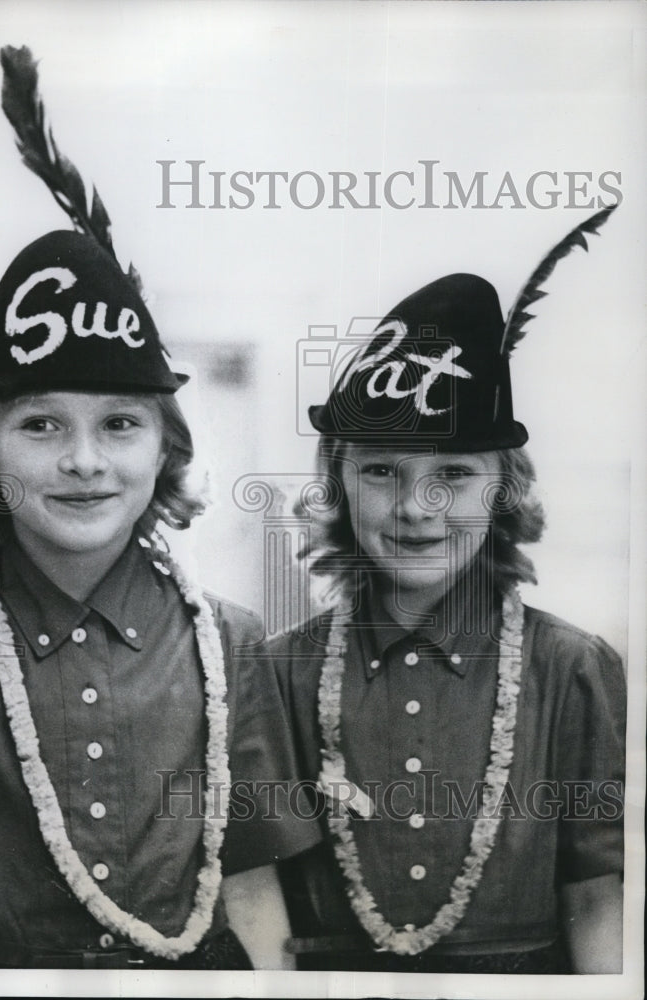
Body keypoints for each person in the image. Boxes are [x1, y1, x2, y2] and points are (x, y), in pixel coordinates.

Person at [0, 47, 318, 971]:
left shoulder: (233, 641)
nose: (85, 460)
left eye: (120, 423)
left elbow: (255, 892)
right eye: (42, 424)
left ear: (166, 448)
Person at [269, 212, 626, 973]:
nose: (415, 508)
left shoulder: (573, 668)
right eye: (381, 472)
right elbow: (258, 893)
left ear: (505, 490)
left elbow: (598, 897)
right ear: (337, 485)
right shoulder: (275, 675)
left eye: (454, 475)